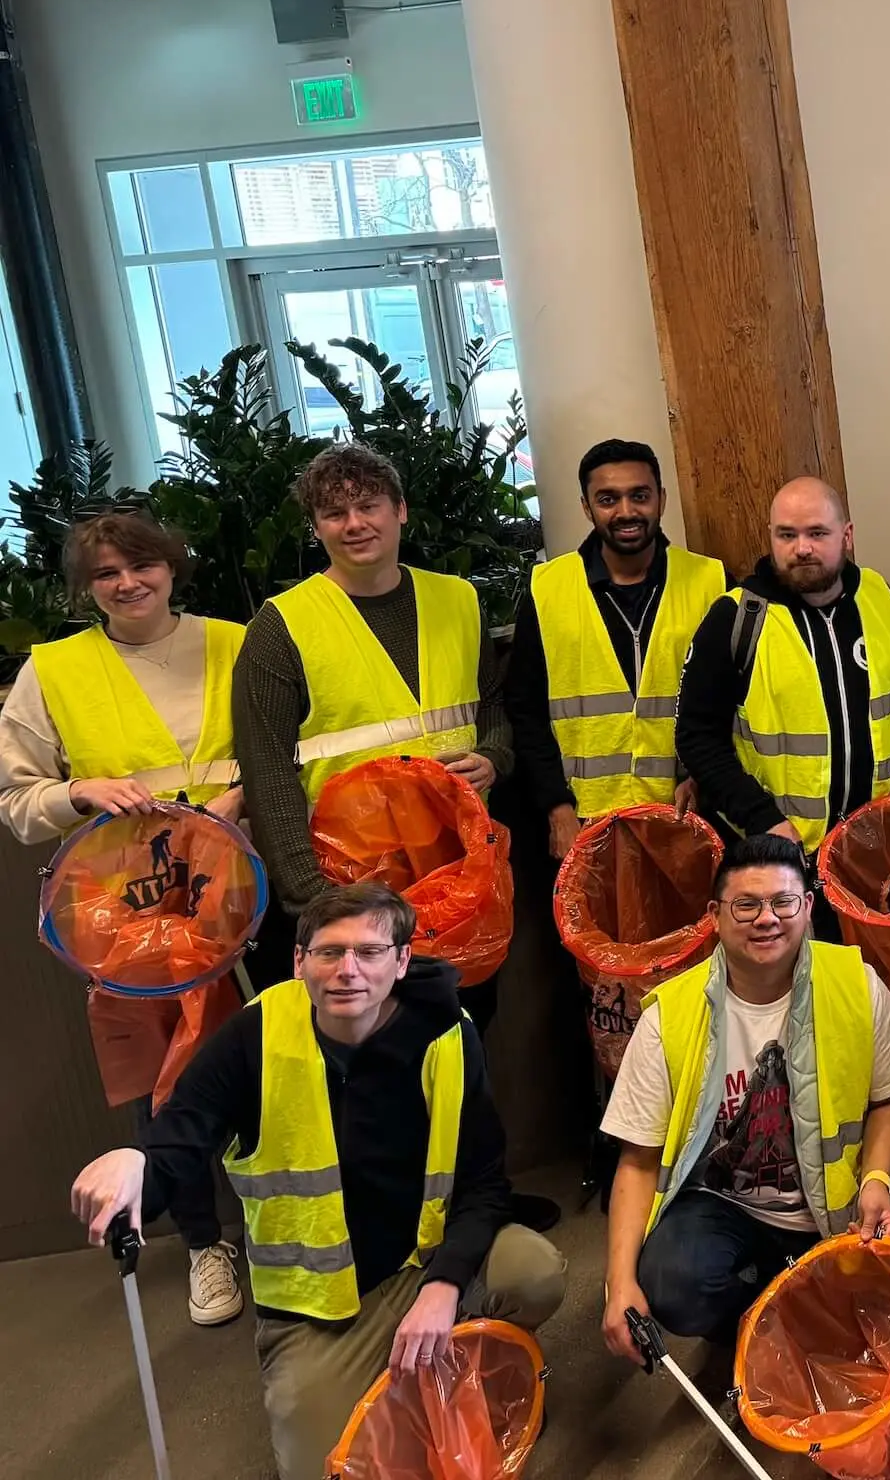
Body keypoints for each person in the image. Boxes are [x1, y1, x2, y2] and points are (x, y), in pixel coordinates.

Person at [68, 883, 567, 1480]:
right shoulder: (255, 1036)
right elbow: (182, 1132)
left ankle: (449, 1355)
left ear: (402, 960)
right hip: (316, 1305)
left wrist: (444, 1286)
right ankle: (401, 1371)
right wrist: (136, 1161)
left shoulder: (448, 1032)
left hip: (422, 1263)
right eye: (328, 953)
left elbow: (484, 1182)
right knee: (316, 1468)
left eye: (370, 951)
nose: (348, 971)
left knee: (535, 1274)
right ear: (299, 961)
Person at [3, 511, 248, 1327]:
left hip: (245, 891)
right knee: (165, 1080)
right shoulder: (54, 671)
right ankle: (206, 1241)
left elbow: (281, 748)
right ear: (87, 587)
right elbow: (16, 799)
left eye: (140, 564)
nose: (126, 582)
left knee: (280, 1056)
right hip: (131, 915)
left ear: (174, 566)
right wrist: (78, 793)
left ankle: (293, 1228)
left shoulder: (239, 642)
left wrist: (234, 805)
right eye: (105, 573)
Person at [600, 834, 890, 1358]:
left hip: (836, 1211)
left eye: (782, 901)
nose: (766, 919)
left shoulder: (854, 984)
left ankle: (804, 1302)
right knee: (672, 1281)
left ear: (808, 906)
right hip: (726, 1207)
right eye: (746, 904)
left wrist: (878, 1178)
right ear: (716, 914)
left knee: (871, 1320)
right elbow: (638, 1160)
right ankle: (759, 1321)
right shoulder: (671, 1015)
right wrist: (619, 1285)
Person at [233, 445, 512, 982]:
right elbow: (267, 774)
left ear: (400, 509)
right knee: (371, 1052)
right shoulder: (281, 626)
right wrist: (315, 900)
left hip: (462, 874)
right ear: (315, 527)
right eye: (334, 513)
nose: (355, 524)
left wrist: (494, 756)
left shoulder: (458, 600)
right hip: (352, 890)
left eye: (370, 506)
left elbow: (492, 705)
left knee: (465, 1030)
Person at [675, 477, 890, 854]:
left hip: (874, 841)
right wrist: (760, 818)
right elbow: (696, 736)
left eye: (817, 533)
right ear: (770, 536)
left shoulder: (881, 597)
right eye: (786, 535)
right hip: (774, 850)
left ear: (847, 536)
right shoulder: (737, 618)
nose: (802, 548)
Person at [506, 439, 727, 860]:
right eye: (608, 499)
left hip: (685, 813)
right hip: (586, 820)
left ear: (661, 499)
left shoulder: (710, 581)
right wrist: (557, 808)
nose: (626, 511)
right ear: (587, 508)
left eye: (639, 495)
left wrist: (702, 777)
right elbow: (525, 710)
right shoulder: (547, 589)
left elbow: (732, 703)